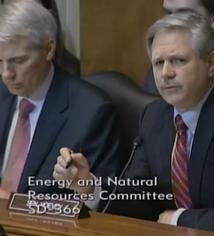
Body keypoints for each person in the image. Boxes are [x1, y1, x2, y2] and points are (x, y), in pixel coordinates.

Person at [54, 11, 214, 233]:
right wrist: (90, 187)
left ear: (211, 63)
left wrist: (176, 218)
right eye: (158, 63)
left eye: (178, 60)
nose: (166, 73)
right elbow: (141, 198)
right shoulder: (156, 116)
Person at [0, 0, 124, 199]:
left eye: (18, 61)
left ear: (49, 49)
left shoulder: (91, 111)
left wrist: (87, 187)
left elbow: (109, 199)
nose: (6, 74)